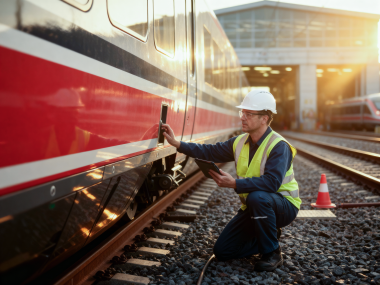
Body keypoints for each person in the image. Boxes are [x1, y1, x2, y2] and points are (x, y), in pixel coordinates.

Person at [161, 90, 301, 272]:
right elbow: (209, 151)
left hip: (283, 206)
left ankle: (272, 252)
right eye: (242, 113)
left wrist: (235, 184)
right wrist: (178, 144)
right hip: (256, 206)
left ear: (264, 118)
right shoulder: (240, 141)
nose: (242, 117)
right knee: (223, 251)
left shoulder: (279, 146)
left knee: (257, 197)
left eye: (249, 114)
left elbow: (272, 183)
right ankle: (267, 236)